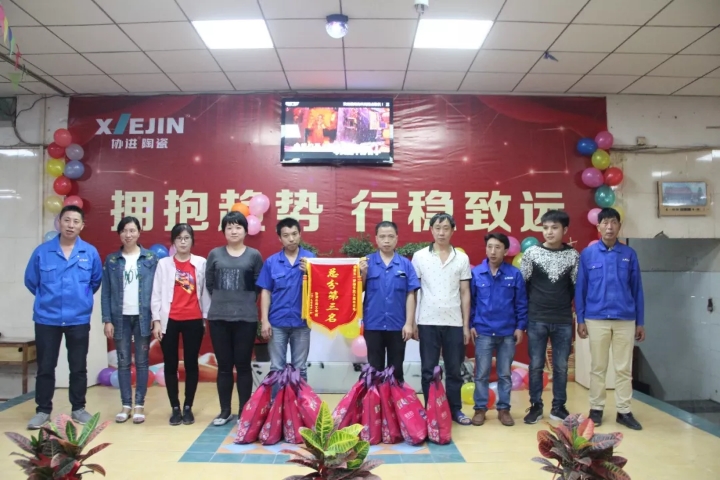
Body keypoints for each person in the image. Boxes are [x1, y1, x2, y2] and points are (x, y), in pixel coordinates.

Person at [24, 205, 102, 430]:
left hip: (78, 319)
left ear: (82, 226)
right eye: (67, 220)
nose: (70, 225)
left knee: (78, 367)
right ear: (59, 222)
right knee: (45, 367)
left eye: (76, 221)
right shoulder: (42, 252)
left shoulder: (90, 252)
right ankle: (43, 410)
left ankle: (78, 408)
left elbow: (95, 281)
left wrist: (80, 300)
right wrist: (48, 299)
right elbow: (31, 281)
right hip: (47, 319)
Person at [576, 207, 645, 430]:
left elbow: (637, 289)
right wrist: (581, 319)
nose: (609, 227)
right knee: (598, 367)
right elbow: (581, 288)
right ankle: (596, 410)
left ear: (619, 226)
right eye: (605, 223)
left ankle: (624, 411)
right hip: (596, 318)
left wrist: (640, 321)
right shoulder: (588, 255)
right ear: (598, 227)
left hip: (625, 318)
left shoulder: (629, 254)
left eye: (613, 222)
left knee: (624, 369)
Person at [411, 213, 472, 425]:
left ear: (453, 230)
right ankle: (431, 410)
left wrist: (466, 326)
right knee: (428, 370)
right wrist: (413, 322)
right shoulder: (419, 257)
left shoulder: (461, 258)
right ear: (431, 230)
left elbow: (465, 292)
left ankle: (455, 410)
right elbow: (413, 291)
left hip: (454, 322)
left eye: (446, 228)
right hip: (427, 321)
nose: (441, 233)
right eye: (437, 228)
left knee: (454, 370)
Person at [520, 210, 579, 424]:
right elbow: (523, 287)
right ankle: (536, 406)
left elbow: (576, 288)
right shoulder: (531, 253)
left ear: (565, 230)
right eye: (545, 228)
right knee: (536, 364)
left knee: (561, 366)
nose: (549, 232)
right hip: (537, 318)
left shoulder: (573, 255)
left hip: (563, 319)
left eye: (554, 227)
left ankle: (558, 407)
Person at [206, 211, 264, 426]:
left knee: (243, 365)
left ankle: (243, 412)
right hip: (219, 317)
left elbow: (259, 284)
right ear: (224, 231)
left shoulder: (254, 255)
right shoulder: (215, 254)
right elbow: (209, 283)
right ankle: (224, 411)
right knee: (224, 366)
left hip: (245, 318)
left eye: (238, 227)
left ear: (245, 231)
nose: (233, 231)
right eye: (229, 227)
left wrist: (242, 302)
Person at [151, 223, 211, 426]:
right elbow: (156, 294)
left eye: (186, 238)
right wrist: (156, 321)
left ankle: (188, 407)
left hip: (193, 319)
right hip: (169, 320)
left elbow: (205, 292)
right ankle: (175, 407)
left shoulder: (201, 263)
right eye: (179, 238)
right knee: (170, 364)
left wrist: (205, 318)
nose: (183, 242)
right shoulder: (164, 264)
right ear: (173, 242)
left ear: (192, 241)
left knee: (192, 364)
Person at [101, 216, 159, 424]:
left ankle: (139, 405)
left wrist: (156, 317)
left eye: (132, 230)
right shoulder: (112, 260)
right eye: (124, 231)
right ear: (119, 234)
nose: (128, 234)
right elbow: (106, 292)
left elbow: (157, 290)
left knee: (142, 362)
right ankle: (126, 404)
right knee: (123, 362)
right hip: (120, 318)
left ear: (139, 232)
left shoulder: (150, 258)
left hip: (143, 317)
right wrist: (107, 319)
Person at [470, 233, 528, 427]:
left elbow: (521, 303)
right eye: (490, 247)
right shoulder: (477, 273)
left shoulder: (514, 274)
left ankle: (504, 409)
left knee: (504, 374)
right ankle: (480, 408)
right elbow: (471, 303)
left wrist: (520, 327)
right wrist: (471, 325)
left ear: (505, 250)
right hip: (483, 331)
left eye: (497, 247)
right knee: (481, 374)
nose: (493, 251)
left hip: (507, 332)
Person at [359, 221, 420, 383]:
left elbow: (411, 295)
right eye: (382, 236)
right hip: (373, 324)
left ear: (396, 238)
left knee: (396, 370)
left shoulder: (405, 264)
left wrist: (409, 323)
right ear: (376, 239)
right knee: (375, 370)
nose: (386, 240)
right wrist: (363, 274)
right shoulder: (366, 262)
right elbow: (358, 291)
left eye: (390, 236)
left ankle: (396, 399)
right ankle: (376, 399)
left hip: (397, 325)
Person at [257, 218, 315, 385]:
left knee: (300, 368)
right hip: (277, 322)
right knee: (276, 368)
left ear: (300, 234)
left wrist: (310, 273)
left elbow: (321, 289)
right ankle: (277, 401)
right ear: (279, 238)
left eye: (294, 234)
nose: (291, 239)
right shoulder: (272, 262)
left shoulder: (310, 259)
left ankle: (300, 401)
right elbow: (266, 291)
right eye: (286, 235)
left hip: (302, 322)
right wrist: (265, 320)